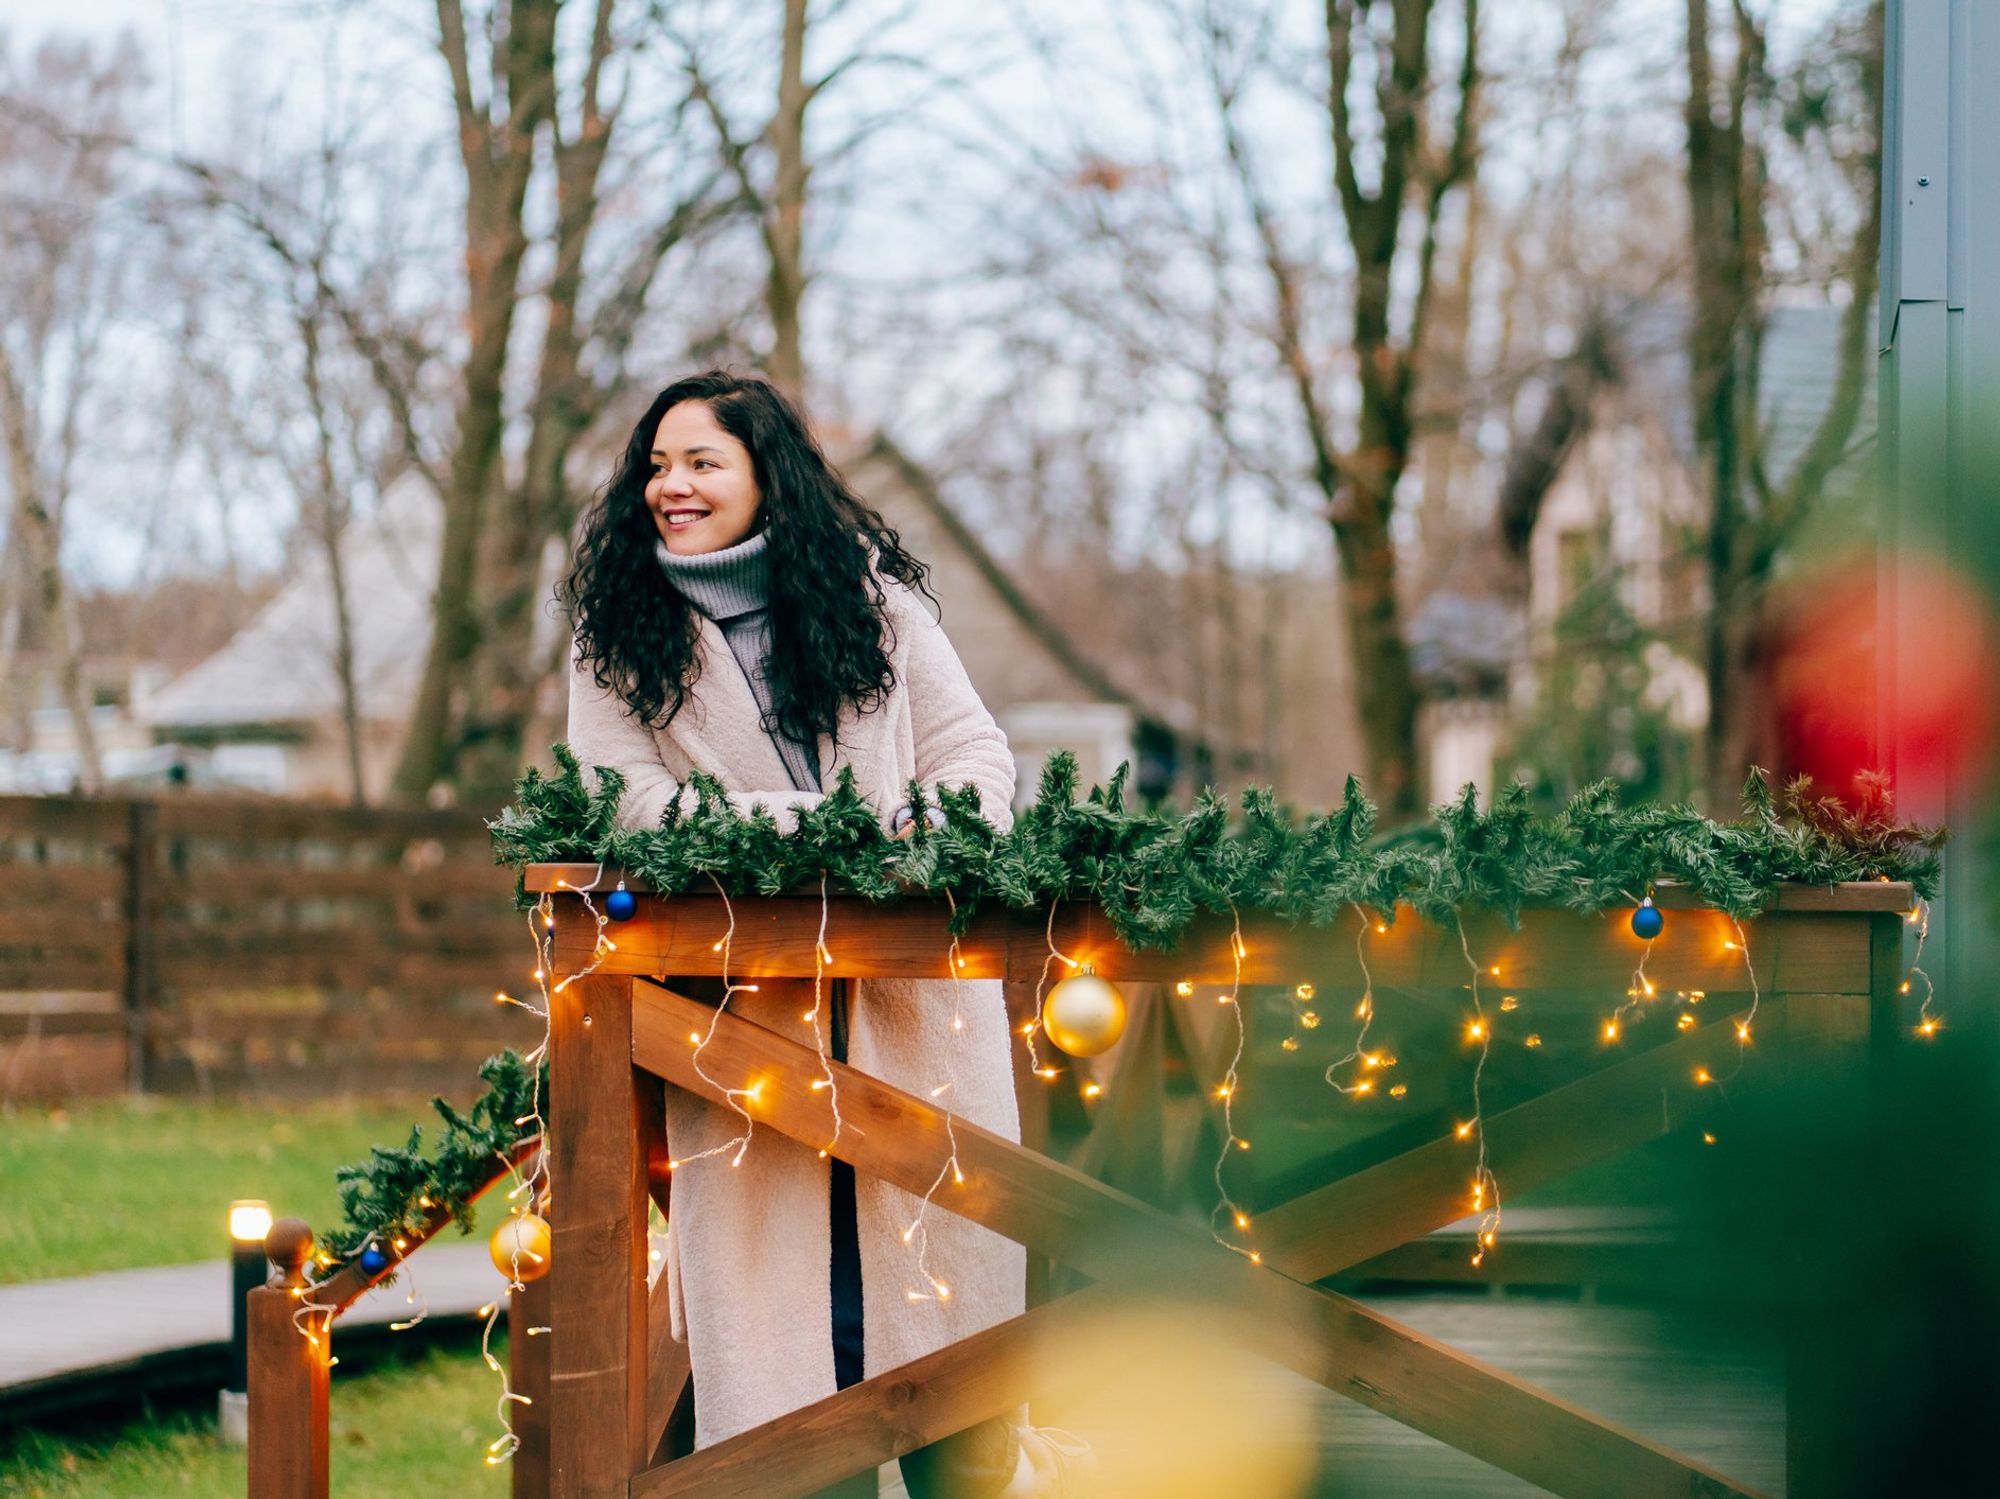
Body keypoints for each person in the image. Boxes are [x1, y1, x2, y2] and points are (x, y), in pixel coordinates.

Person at [561, 371, 1088, 1497]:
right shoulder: (617, 633)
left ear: (765, 475)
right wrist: (834, 827)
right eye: (656, 464)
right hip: (740, 1023)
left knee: (948, 1331)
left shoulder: (876, 605)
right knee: (783, 1360)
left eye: (701, 461)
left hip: (912, 1013)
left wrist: (932, 827)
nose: (671, 485)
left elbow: (972, 757)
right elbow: (630, 807)